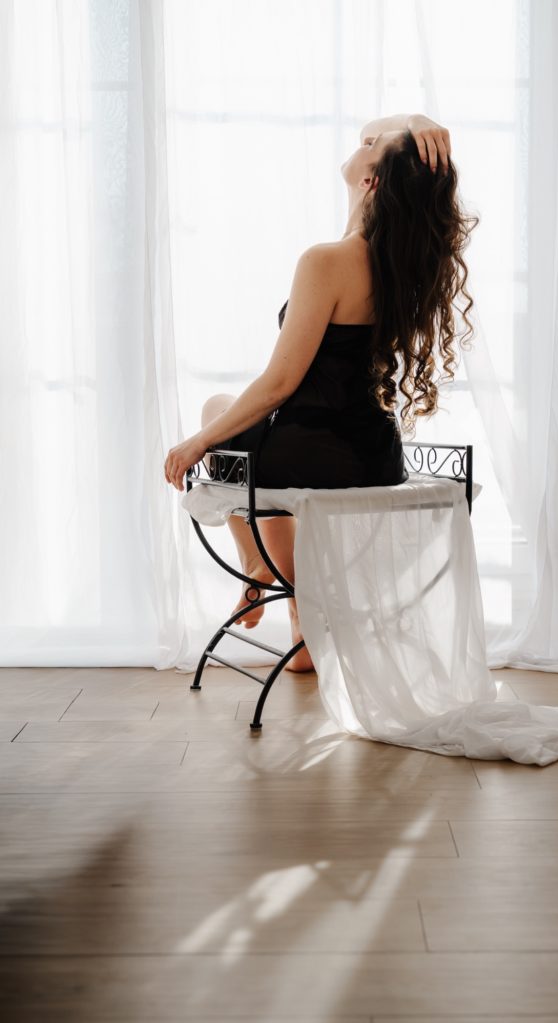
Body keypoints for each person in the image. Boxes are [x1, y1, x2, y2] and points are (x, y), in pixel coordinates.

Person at [164, 113, 479, 671]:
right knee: (229, 418)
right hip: (375, 453)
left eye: (370, 145)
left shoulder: (327, 261)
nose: (360, 141)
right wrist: (419, 129)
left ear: (372, 180)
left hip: (315, 446)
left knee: (219, 417)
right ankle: (302, 627)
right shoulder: (402, 262)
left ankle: (270, 576)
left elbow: (279, 383)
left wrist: (195, 444)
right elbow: (382, 129)